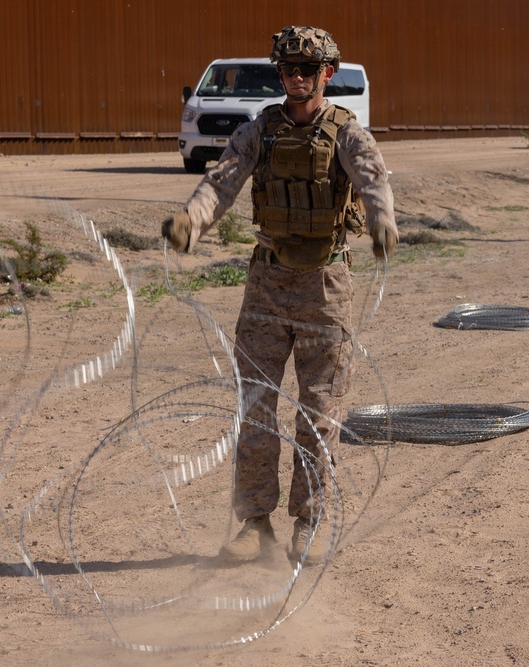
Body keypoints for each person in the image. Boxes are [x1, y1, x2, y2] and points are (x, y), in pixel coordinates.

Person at [161, 25, 398, 565]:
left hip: (325, 286)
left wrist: (385, 225)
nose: (295, 78)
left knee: (319, 412)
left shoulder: (346, 133)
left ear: (326, 75)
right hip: (267, 284)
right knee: (256, 407)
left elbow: (373, 181)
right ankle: (254, 523)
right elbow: (222, 181)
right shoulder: (259, 131)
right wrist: (191, 222)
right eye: (287, 70)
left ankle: (309, 522)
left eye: (305, 70)